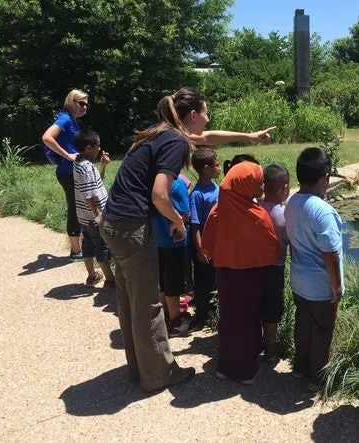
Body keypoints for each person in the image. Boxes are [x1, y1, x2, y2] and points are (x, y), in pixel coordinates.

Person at [100, 86, 275, 393]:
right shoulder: (174, 141)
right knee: (148, 306)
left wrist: (249, 137)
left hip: (111, 222)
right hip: (132, 228)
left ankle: (138, 368)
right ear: (193, 115)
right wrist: (177, 220)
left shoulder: (157, 133)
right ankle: (158, 375)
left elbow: (207, 139)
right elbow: (159, 193)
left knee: (130, 302)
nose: (207, 121)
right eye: (205, 114)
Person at [202, 161, 279, 384]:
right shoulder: (256, 215)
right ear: (245, 185)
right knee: (247, 319)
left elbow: (207, 244)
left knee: (228, 318)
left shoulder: (218, 211)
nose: (262, 186)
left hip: (225, 274)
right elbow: (272, 248)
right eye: (258, 182)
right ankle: (245, 371)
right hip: (249, 275)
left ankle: (225, 367)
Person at [284, 147, 343, 392]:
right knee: (322, 332)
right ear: (324, 177)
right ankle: (318, 379)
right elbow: (330, 253)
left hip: (299, 280)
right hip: (321, 285)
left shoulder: (291, 202)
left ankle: (300, 367)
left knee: (304, 324)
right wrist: (337, 285)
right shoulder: (324, 212)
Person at [42, 89, 89, 260]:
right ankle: (76, 251)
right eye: (81, 103)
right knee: (75, 209)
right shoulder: (65, 119)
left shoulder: (71, 120)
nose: (84, 107)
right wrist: (67, 155)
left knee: (78, 207)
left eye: (86, 104)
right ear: (71, 101)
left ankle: (79, 246)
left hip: (71, 171)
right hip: (68, 172)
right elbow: (47, 137)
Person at [72, 130, 115, 289]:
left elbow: (96, 183)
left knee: (88, 245)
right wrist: (99, 217)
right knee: (101, 246)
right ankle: (110, 280)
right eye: (97, 146)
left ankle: (92, 276)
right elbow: (89, 197)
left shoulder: (78, 164)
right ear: (89, 147)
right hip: (93, 217)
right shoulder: (86, 168)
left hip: (83, 216)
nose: (99, 149)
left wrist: (103, 165)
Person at [152, 174, 191, 338]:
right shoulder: (177, 185)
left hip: (157, 240)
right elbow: (185, 213)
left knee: (163, 280)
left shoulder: (153, 183)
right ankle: (176, 321)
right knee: (174, 283)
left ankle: (166, 315)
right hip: (175, 242)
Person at [258, 164, 290, 363]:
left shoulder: (255, 207)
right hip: (274, 268)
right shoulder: (282, 215)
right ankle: (270, 347)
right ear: (284, 188)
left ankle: (254, 342)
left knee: (255, 303)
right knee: (272, 309)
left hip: (253, 266)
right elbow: (289, 240)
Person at [188, 147, 220, 331]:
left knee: (215, 280)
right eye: (216, 165)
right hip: (204, 248)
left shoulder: (217, 187)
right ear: (206, 169)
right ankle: (202, 313)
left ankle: (213, 311)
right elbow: (195, 225)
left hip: (217, 246)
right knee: (203, 281)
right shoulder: (197, 194)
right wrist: (200, 249)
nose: (219, 168)